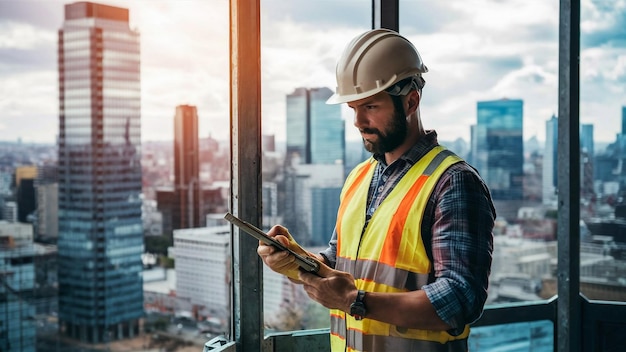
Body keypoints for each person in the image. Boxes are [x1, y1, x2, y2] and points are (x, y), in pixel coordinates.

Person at [258, 28, 495, 352]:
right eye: (353, 108)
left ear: (411, 100)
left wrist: (357, 302)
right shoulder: (359, 177)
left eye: (370, 106)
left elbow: (459, 299)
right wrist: (297, 262)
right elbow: (342, 265)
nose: (358, 121)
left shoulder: (452, 183)